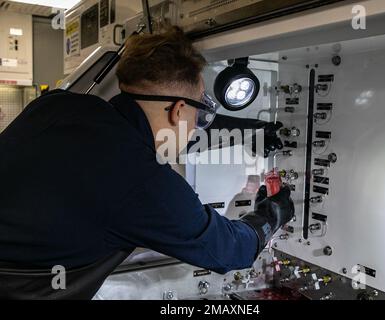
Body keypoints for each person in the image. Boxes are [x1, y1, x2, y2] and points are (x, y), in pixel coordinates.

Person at [0, 26, 294, 299]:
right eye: (199, 118)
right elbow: (230, 251)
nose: (197, 128)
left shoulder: (58, 106)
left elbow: (140, 141)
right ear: (179, 110)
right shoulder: (143, 183)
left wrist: (254, 130)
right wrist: (272, 214)